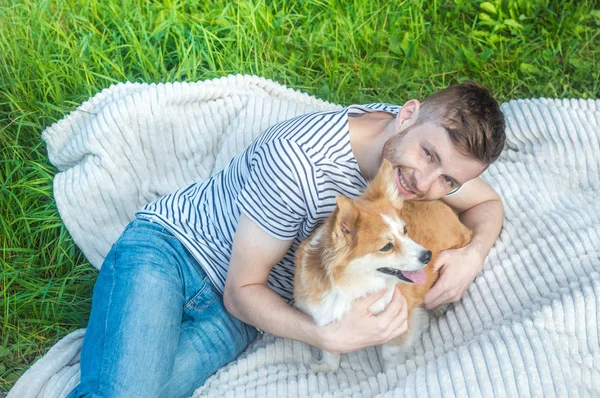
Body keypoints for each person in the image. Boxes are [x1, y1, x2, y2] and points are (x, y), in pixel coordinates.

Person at [67, 81, 506, 398]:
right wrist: (328, 336)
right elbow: (244, 290)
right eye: (428, 155)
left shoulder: (417, 162)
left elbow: (488, 205)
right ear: (406, 115)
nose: (426, 183)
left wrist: (472, 254)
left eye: (448, 179)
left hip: (236, 316)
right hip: (172, 253)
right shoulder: (299, 163)